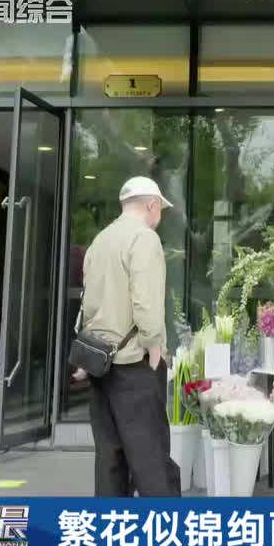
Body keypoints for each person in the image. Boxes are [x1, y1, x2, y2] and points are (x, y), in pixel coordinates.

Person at [76, 176, 180, 496]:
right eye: (160, 209)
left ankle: (111, 525)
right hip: (134, 362)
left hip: (101, 363)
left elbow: (88, 304)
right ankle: (163, 526)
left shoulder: (100, 241)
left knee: (110, 460)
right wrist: (154, 348)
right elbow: (146, 302)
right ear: (151, 205)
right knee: (151, 461)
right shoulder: (144, 238)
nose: (159, 216)